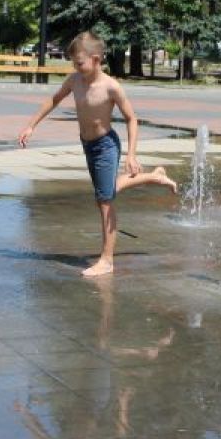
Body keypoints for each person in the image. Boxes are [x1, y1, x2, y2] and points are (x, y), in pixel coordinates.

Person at [18, 31, 177, 277]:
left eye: (79, 63)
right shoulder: (74, 81)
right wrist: (31, 125)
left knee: (105, 201)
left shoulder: (111, 87)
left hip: (106, 146)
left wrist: (131, 155)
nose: (75, 67)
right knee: (106, 192)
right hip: (87, 144)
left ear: (95, 59)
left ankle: (107, 260)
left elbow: (131, 119)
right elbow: (54, 99)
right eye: (73, 63)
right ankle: (154, 176)